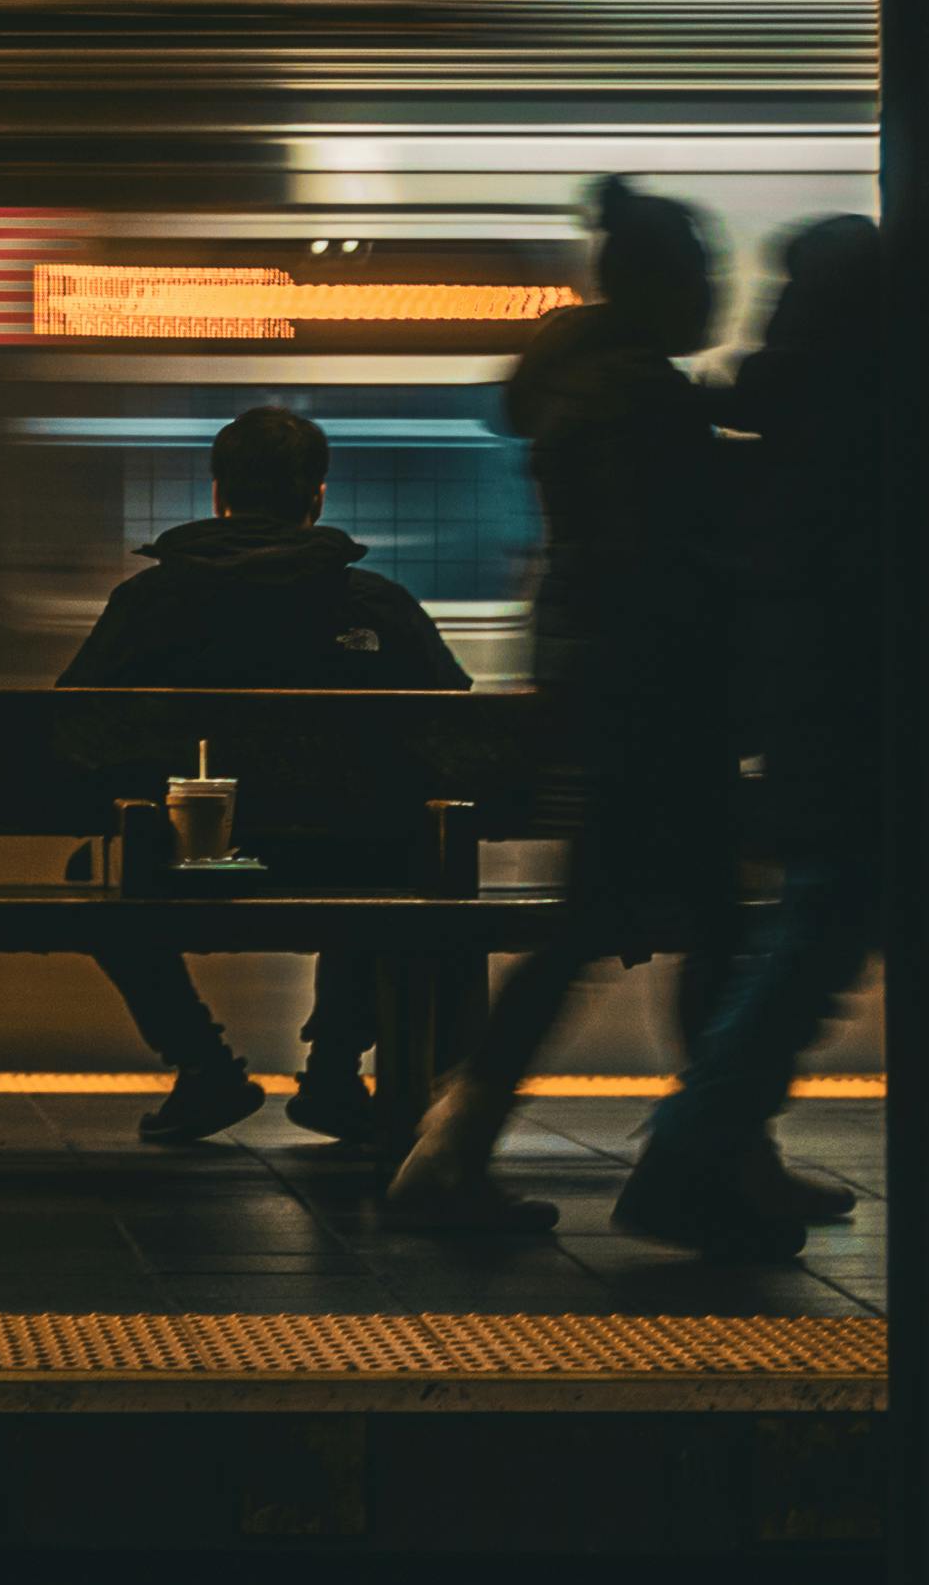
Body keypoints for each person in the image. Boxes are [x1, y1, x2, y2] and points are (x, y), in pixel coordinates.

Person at [386, 181, 736, 1238]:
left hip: (603, 687)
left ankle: (710, 1144)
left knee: (638, 925)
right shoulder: (640, 401)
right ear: (659, 288)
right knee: (681, 924)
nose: (719, 294)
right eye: (703, 274)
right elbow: (676, 561)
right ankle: (703, 1149)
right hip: (650, 700)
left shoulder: (587, 391)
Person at [58, 402, 475, 1147]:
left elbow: (71, 723)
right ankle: (336, 1072)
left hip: (190, 860)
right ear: (315, 495)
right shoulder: (375, 604)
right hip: (353, 862)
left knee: (100, 869)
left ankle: (202, 1065)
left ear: (218, 493)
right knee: (387, 846)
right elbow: (457, 728)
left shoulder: (149, 602)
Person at [622, 213, 884, 1257]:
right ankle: (692, 1155)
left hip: (797, 715)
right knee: (811, 946)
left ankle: (708, 1151)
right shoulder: (858, 419)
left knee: (809, 941)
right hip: (850, 720)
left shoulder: (781, 409)